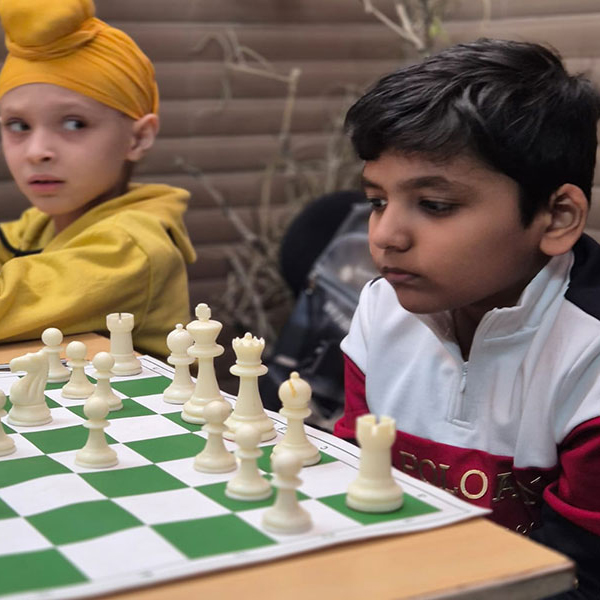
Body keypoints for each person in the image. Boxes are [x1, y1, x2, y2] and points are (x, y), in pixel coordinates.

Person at [333, 39, 600, 598]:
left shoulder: (589, 353)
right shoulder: (383, 307)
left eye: (435, 205)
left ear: (557, 217)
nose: (385, 235)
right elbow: (353, 477)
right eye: (378, 200)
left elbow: (577, 577)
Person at [0, 0, 196, 358]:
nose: (37, 151)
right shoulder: (41, 224)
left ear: (138, 138)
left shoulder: (132, 246)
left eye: (74, 123)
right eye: (18, 126)